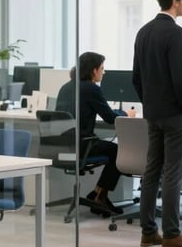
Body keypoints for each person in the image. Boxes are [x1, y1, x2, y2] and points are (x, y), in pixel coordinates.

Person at [132, 0, 182, 247]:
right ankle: (172, 234)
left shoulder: (143, 31)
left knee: (152, 172)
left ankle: (148, 232)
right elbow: (180, 78)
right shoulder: (175, 33)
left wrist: (150, 103)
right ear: (174, 1)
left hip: (153, 113)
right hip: (175, 114)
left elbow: (137, 77)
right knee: (173, 173)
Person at [55, 51, 135, 214]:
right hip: (82, 145)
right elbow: (110, 117)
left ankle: (97, 192)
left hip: (63, 145)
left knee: (112, 148)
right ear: (93, 70)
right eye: (102, 68)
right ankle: (100, 196)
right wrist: (127, 114)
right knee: (120, 151)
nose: (103, 72)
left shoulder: (66, 86)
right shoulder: (91, 88)